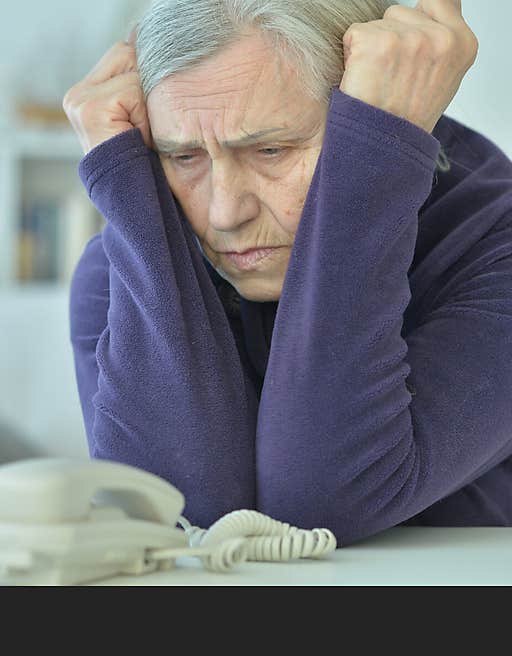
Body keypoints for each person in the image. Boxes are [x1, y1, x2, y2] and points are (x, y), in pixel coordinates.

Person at [62, 0, 511, 546]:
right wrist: (123, 181)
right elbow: (174, 514)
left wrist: (378, 151)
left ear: (385, 105)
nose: (225, 213)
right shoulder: (129, 261)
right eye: (183, 158)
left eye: (271, 149)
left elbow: (325, 497)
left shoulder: (496, 244)